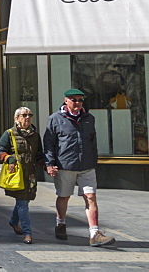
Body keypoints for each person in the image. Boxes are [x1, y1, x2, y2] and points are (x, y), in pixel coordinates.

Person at [43, 88, 115, 247]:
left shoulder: (89, 118)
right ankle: (60, 223)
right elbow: (49, 143)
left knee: (90, 197)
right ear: (66, 101)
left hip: (86, 166)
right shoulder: (55, 119)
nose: (77, 103)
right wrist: (49, 163)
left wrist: (93, 160)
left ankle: (94, 233)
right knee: (64, 196)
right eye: (74, 100)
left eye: (80, 100)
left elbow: (92, 141)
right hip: (65, 165)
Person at [0, 107, 45, 245]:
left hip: (30, 174)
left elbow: (38, 155)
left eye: (30, 115)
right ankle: (27, 232)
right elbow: (0, 151)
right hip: (17, 174)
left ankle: (13, 221)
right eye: (24, 115)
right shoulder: (9, 134)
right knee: (22, 203)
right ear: (17, 118)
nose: (28, 118)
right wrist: (9, 158)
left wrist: (46, 166)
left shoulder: (35, 135)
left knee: (23, 201)